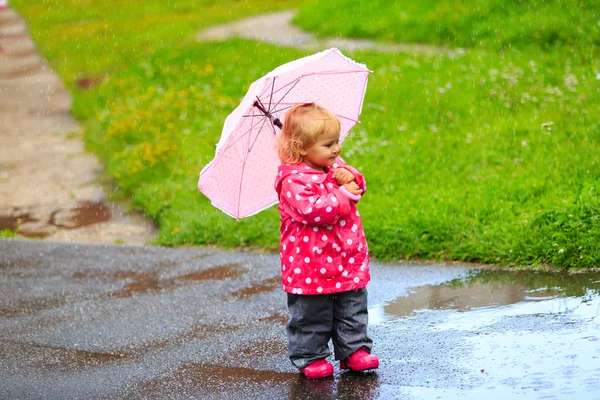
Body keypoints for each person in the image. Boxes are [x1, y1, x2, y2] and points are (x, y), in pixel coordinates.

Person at [274, 102, 379, 379]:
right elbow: (315, 211)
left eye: (337, 142)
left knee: (352, 306)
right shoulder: (292, 180)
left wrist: (352, 177)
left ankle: (354, 350)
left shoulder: (334, 166)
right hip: (309, 263)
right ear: (301, 148)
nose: (336, 149)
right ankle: (311, 356)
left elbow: (357, 187)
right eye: (328, 144)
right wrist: (343, 195)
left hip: (345, 255)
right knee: (312, 314)